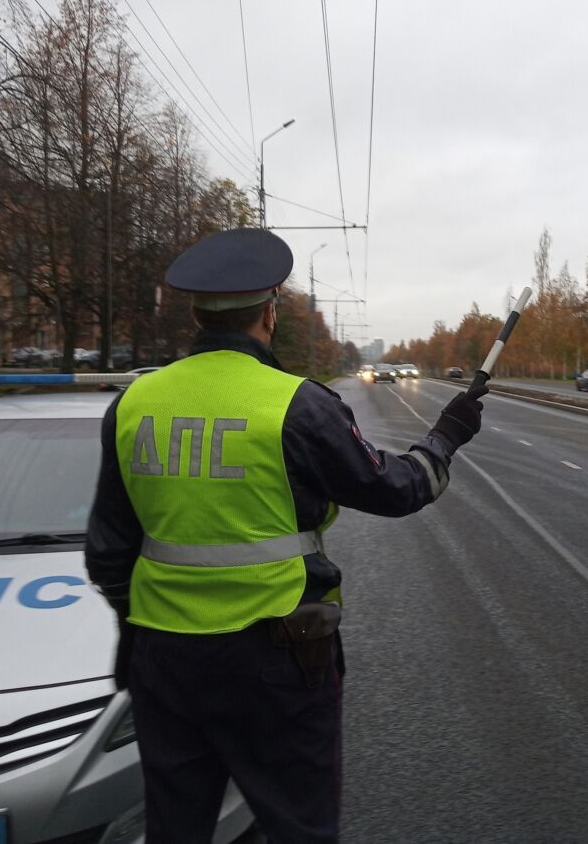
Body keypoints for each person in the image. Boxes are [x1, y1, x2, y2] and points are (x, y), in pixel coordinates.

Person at [85, 227, 487, 843]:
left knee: (175, 828)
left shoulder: (136, 403)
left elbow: (109, 551)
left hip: (165, 663)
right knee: (299, 826)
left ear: (195, 313)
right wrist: (447, 434)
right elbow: (396, 491)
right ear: (268, 315)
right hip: (277, 658)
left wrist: (133, 631)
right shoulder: (296, 404)